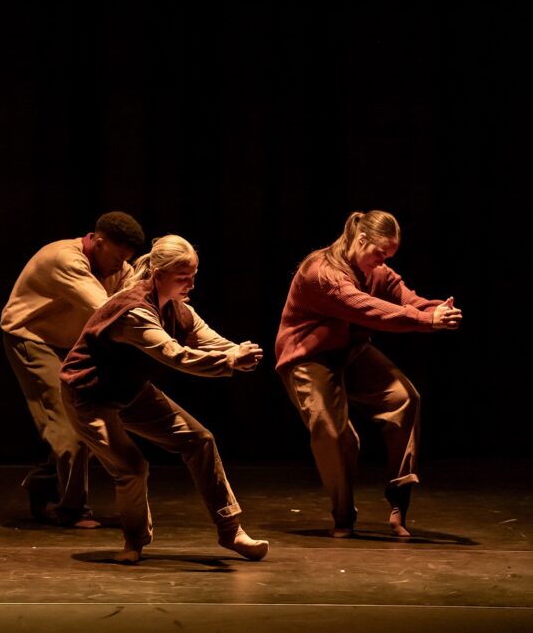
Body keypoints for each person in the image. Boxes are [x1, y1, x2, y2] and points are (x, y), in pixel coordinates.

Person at [60, 234, 269, 563]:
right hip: (89, 395)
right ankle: (134, 542)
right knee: (131, 466)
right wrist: (230, 362)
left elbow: (205, 337)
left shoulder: (177, 309)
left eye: (193, 276)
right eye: (183, 278)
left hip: (129, 392)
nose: (191, 284)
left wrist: (235, 350)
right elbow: (175, 355)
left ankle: (231, 530)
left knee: (200, 440)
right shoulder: (134, 312)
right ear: (158, 275)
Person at [274, 210, 462, 538]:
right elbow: (365, 307)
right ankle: (343, 515)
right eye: (379, 253)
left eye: (387, 256)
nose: (382, 262)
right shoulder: (322, 272)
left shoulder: (376, 271)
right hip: (308, 357)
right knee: (332, 432)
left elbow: (407, 299)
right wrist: (423, 322)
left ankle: (398, 503)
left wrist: (435, 310)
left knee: (405, 398)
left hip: (350, 351)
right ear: (361, 240)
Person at [0, 211, 145, 528]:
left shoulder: (118, 266)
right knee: (71, 424)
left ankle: (42, 483)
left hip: (70, 343)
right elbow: (106, 310)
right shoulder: (65, 259)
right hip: (31, 338)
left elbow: (135, 295)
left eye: (126, 260)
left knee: (89, 415)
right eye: (117, 258)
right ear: (99, 241)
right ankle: (72, 508)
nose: (120, 267)